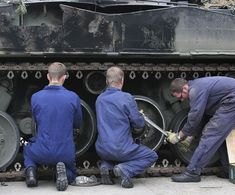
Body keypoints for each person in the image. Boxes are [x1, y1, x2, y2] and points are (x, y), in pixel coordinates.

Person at [168, 76, 235, 182]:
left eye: (180, 96)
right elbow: (202, 116)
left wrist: (180, 135)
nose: (182, 99)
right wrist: (191, 135)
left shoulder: (195, 90)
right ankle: (228, 170)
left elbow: (195, 115)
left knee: (211, 133)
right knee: (220, 135)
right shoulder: (197, 87)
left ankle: (192, 172)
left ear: (184, 88)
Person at [95, 66, 158, 188]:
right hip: (121, 149)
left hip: (102, 149)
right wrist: (139, 116)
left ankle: (106, 167)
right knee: (151, 156)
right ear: (122, 80)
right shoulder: (126, 98)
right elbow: (139, 124)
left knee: (115, 154)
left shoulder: (100, 99)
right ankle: (126, 170)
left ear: (107, 81)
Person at [23, 62, 82, 191]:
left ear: (48, 76)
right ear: (64, 77)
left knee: (27, 149)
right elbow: (77, 123)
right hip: (65, 152)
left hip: (41, 151)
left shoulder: (35, 97)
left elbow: (37, 120)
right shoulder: (73, 97)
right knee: (72, 173)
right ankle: (63, 172)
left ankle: (31, 172)